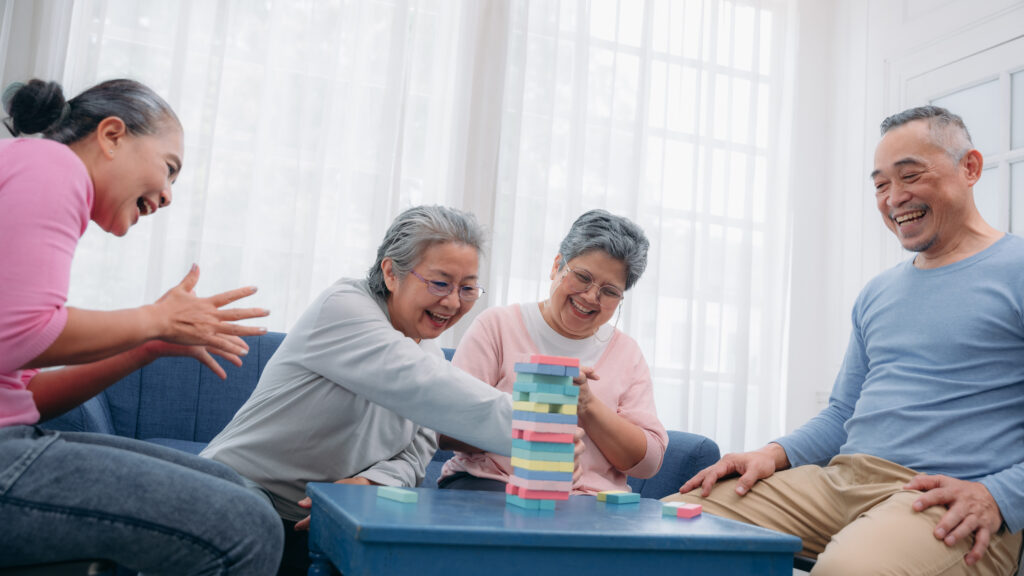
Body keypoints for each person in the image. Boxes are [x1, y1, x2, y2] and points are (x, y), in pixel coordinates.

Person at [664, 106, 1023, 575]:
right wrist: (770, 454)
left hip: (944, 499)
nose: (894, 198)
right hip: (841, 482)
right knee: (672, 521)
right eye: (880, 185)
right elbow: (842, 414)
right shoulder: (879, 292)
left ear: (970, 168)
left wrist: (1001, 495)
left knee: (847, 569)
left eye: (910, 175)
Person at [0, 79, 283, 573]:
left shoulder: (35, 171)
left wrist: (147, 345)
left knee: (244, 495)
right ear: (112, 136)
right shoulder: (52, 164)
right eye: (169, 168)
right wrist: (156, 317)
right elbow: (18, 334)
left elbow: (25, 399)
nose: (169, 195)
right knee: (244, 525)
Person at [201, 205, 534, 575]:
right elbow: (422, 383)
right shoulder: (344, 307)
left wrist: (368, 482)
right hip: (242, 488)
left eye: (467, 288)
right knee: (252, 529)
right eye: (440, 283)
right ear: (391, 273)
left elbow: (415, 456)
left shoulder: (430, 353)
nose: (454, 302)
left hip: (321, 514)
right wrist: (538, 429)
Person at [437, 209, 668, 495]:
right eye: (582, 277)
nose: (590, 297)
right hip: (494, 485)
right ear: (557, 265)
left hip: (588, 502)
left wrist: (586, 404)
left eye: (609, 291)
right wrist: (541, 417)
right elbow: (446, 428)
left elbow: (648, 463)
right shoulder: (497, 326)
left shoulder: (628, 353)